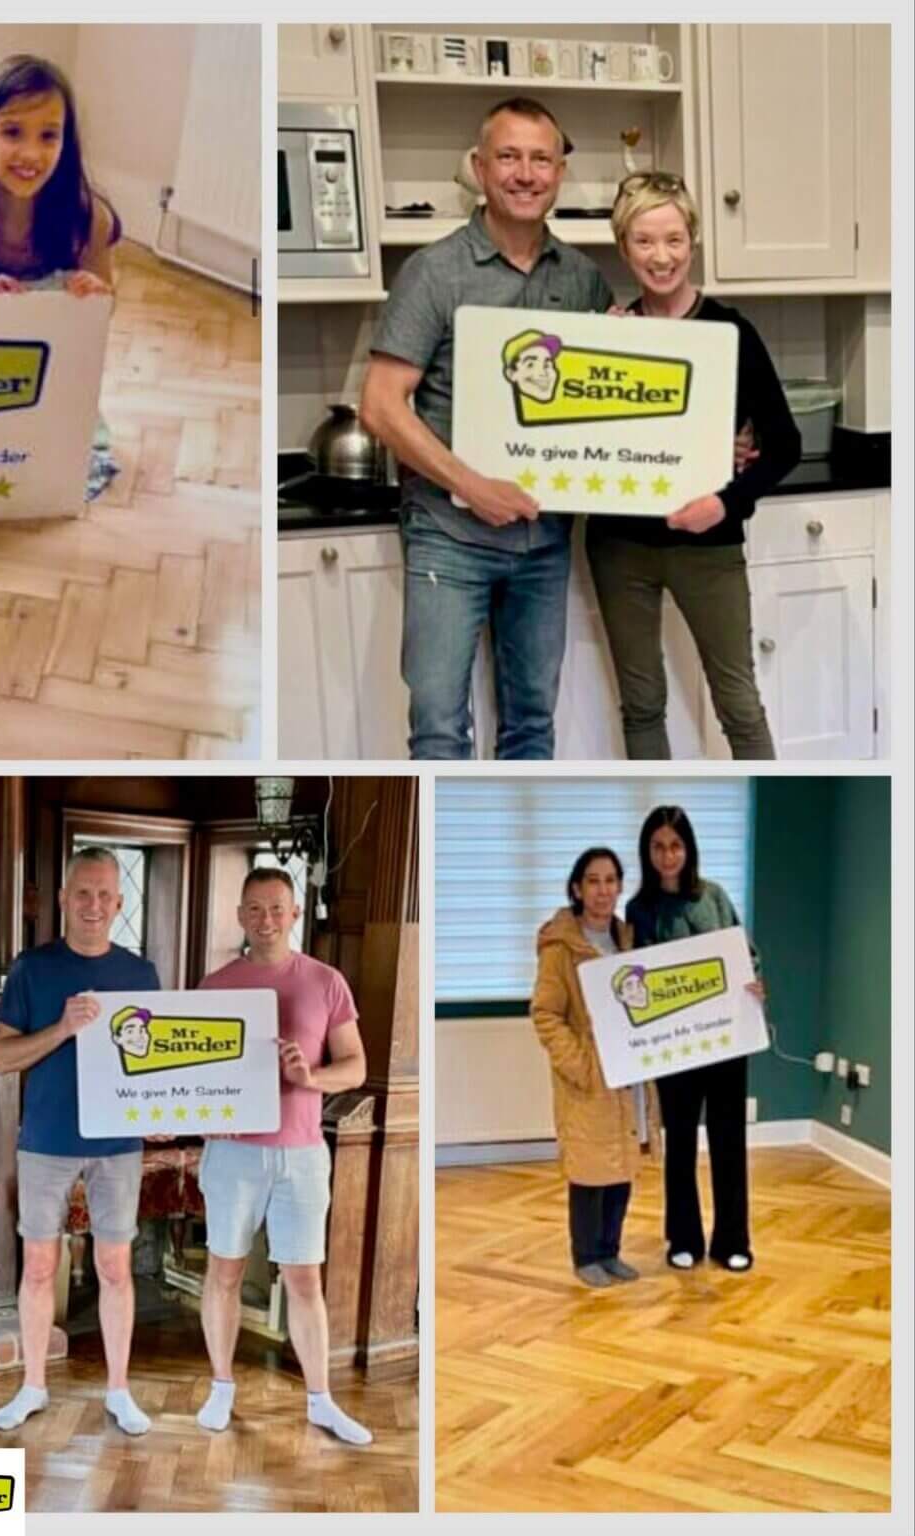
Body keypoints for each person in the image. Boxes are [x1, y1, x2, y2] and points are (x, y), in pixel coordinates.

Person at [359, 98, 614, 759]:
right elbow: (382, 404)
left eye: (540, 159)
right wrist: (475, 485)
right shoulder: (433, 272)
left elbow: (615, 398)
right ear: (479, 168)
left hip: (545, 540)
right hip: (450, 536)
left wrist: (699, 450)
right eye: (508, 157)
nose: (524, 174)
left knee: (532, 724)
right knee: (440, 728)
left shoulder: (584, 281)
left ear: (559, 173)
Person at [586, 174, 802, 759]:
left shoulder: (731, 331)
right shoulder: (605, 336)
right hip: (619, 544)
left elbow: (785, 445)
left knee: (738, 702)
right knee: (640, 703)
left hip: (709, 545)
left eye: (675, 240)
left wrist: (726, 502)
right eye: (645, 242)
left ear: (694, 240)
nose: (662, 257)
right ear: (624, 247)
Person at [0, 847, 160, 1437]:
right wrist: (61, 1027)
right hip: (47, 1140)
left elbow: (154, 1064)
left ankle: (119, 1391)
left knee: (115, 1265)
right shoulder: (32, 969)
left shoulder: (142, 975)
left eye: (104, 895)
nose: (92, 904)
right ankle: (33, 1385)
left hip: (119, 1146)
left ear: (118, 903)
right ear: (63, 899)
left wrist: (160, 1109)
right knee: (39, 1264)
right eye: (81, 893)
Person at [194, 868, 371, 1444]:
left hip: (301, 1153)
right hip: (232, 1153)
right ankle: (221, 1388)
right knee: (223, 1271)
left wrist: (310, 1075)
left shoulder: (326, 981)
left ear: (295, 913)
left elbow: (357, 1066)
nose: (265, 920)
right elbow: (189, 1076)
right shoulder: (213, 987)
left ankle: (321, 1400)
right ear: (240, 916)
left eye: (276, 908)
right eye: (254, 909)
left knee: (304, 1279)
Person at [0, 54, 121, 497]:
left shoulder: (86, 217)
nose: (31, 153)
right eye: (12, 132)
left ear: (66, 142)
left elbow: (106, 304)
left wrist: (96, 294)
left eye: (49, 135)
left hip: (51, 377)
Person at [624, 807, 766, 1272]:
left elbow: (746, 955)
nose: (668, 856)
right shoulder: (639, 910)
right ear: (648, 852)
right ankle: (682, 1236)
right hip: (676, 1046)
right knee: (680, 1143)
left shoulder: (716, 897)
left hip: (726, 1042)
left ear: (689, 849)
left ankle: (732, 1240)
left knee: (729, 1141)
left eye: (676, 845)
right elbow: (636, 979)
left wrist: (755, 982)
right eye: (659, 846)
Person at [532, 848, 653, 1287]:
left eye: (610, 880)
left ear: (620, 886)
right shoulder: (560, 947)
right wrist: (581, 1064)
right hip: (587, 1076)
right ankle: (585, 1256)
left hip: (628, 1072)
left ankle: (610, 1250)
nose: (603, 890)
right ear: (578, 888)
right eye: (593, 881)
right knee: (589, 1168)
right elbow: (546, 1014)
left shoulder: (630, 938)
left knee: (621, 1164)